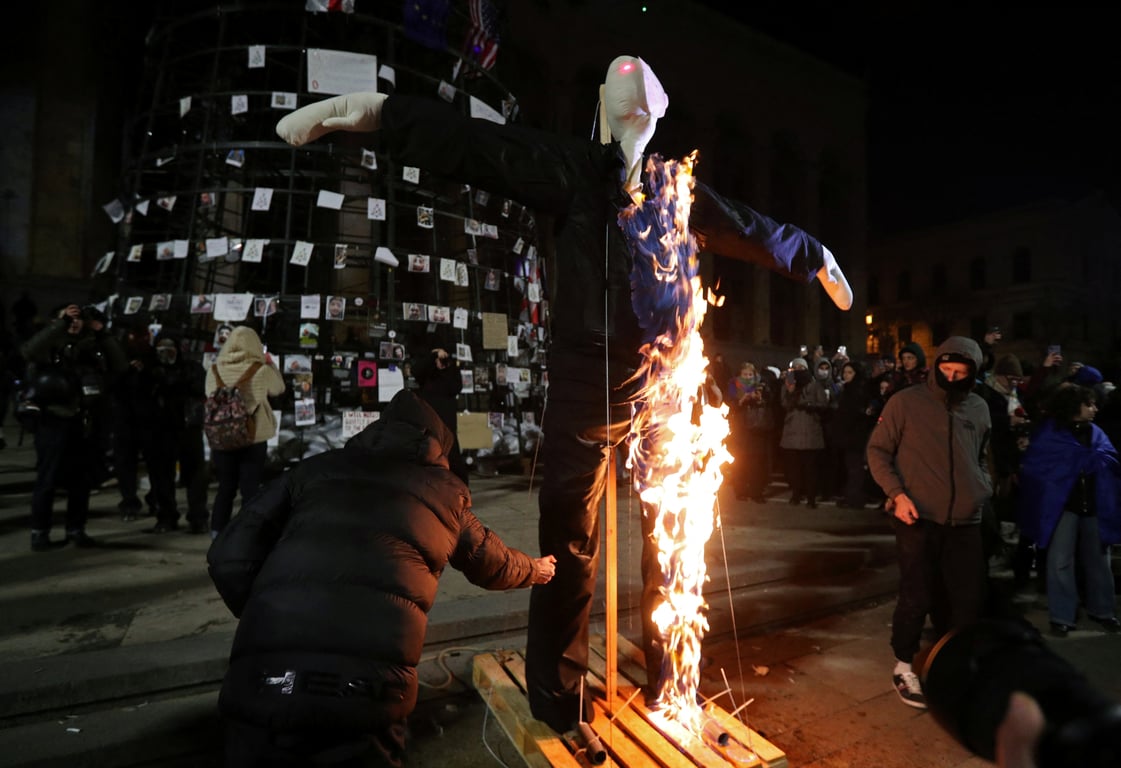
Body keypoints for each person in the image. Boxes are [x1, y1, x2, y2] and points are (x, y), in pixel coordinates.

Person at [274, 54, 854, 733]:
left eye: (641, 102)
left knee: (672, 536)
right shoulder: (573, 170)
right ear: (602, 111)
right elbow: (477, 146)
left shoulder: (676, 187)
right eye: (617, 101)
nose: (630, 111)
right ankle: (558, 694)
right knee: (568, 547)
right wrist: (377, 113)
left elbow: (748, 227)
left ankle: (673, 680)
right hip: (588, 381)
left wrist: (813, 255)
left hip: (664, 381)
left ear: (659, 111)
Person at [208, 390, 556, 767]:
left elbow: (227, 555)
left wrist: (272, 615)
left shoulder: (315, 469)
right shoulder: (445, 494)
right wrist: (537, 569)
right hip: (365, 694)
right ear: (437, 445)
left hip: (260, 684)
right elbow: (494, 562)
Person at [866, 336, 993, 710]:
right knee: (916, 592)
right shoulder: (906, 402)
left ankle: (955, 663)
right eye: (947, 371)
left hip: (966, 519)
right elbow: (877, 452)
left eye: (961, 373)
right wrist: (897, 493)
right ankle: (905, 663)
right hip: (917, 515)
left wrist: (983, 488)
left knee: (967, 598)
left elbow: (983, 454)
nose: (952, 378)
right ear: (937, 367)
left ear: (973, 374)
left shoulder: (979, 408)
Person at [20, 303, 127, 550]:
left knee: (81, 481)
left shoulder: (92, 345)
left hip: (85, 421)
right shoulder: (49, 346)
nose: (75, 322)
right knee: (47, 480)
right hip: (53, 419)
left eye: (79, 318)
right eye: (70, 318)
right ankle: (40, 532)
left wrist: (102, 332)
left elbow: (120, 365)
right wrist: (61, 323)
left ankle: (76, 529)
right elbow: (28, 351)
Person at [1017, 384, 1121, 637]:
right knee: (1060, 561)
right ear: (1075, 406)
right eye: (1090, 404)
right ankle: (1062, 616)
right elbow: (1036, 469)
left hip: (1094, 506)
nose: (1095, 408)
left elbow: (1111, 460)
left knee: (1099, 561)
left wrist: (1091, 463)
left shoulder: (1096, 433)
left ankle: (1103, 610)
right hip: (1063, 508)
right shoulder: (1050, 435)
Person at [204, 326, 285, 538]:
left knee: (225, 487)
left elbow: (209, 395)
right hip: (253, 436)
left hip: (222, 437)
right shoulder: (260, 369)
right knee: (251, 487)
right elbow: (279, 388)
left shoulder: (214, 370)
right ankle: (250, 533)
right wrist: (271, 365)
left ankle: (217, 532)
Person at [411, 347, 468, 485]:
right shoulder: (427, 372)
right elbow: (417, 373)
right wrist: (432, 358)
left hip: (446, 416)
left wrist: (446, 368)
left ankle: (460, 486)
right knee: (428, 449)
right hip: (429, 415)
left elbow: (456, 387)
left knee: (451, 450)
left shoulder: (450, 369)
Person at [779, 357, 828, 507]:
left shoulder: (815, 385)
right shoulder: (787, 385)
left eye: (802, 367)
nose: (799, 370)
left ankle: (811, 497)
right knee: (794, 468)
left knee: (810, 468)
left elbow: (823, 405)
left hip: (810, 432)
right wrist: (791, 392)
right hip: (792, 432)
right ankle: (796, 494)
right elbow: (784, 404)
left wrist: (809, 404)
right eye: (796, 367)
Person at [725, 361, 773, 502]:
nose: (747, 377)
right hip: (739, 428)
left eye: (750, 374)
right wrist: (742, 400)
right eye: (745, 374)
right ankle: (740, 490)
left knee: (756, 462)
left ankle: (756, 492)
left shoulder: (761, 385)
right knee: (740, 461)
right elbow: (728, 403)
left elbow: (770, 400)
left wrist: (759, 398)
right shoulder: (733, 386)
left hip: (756, 429)